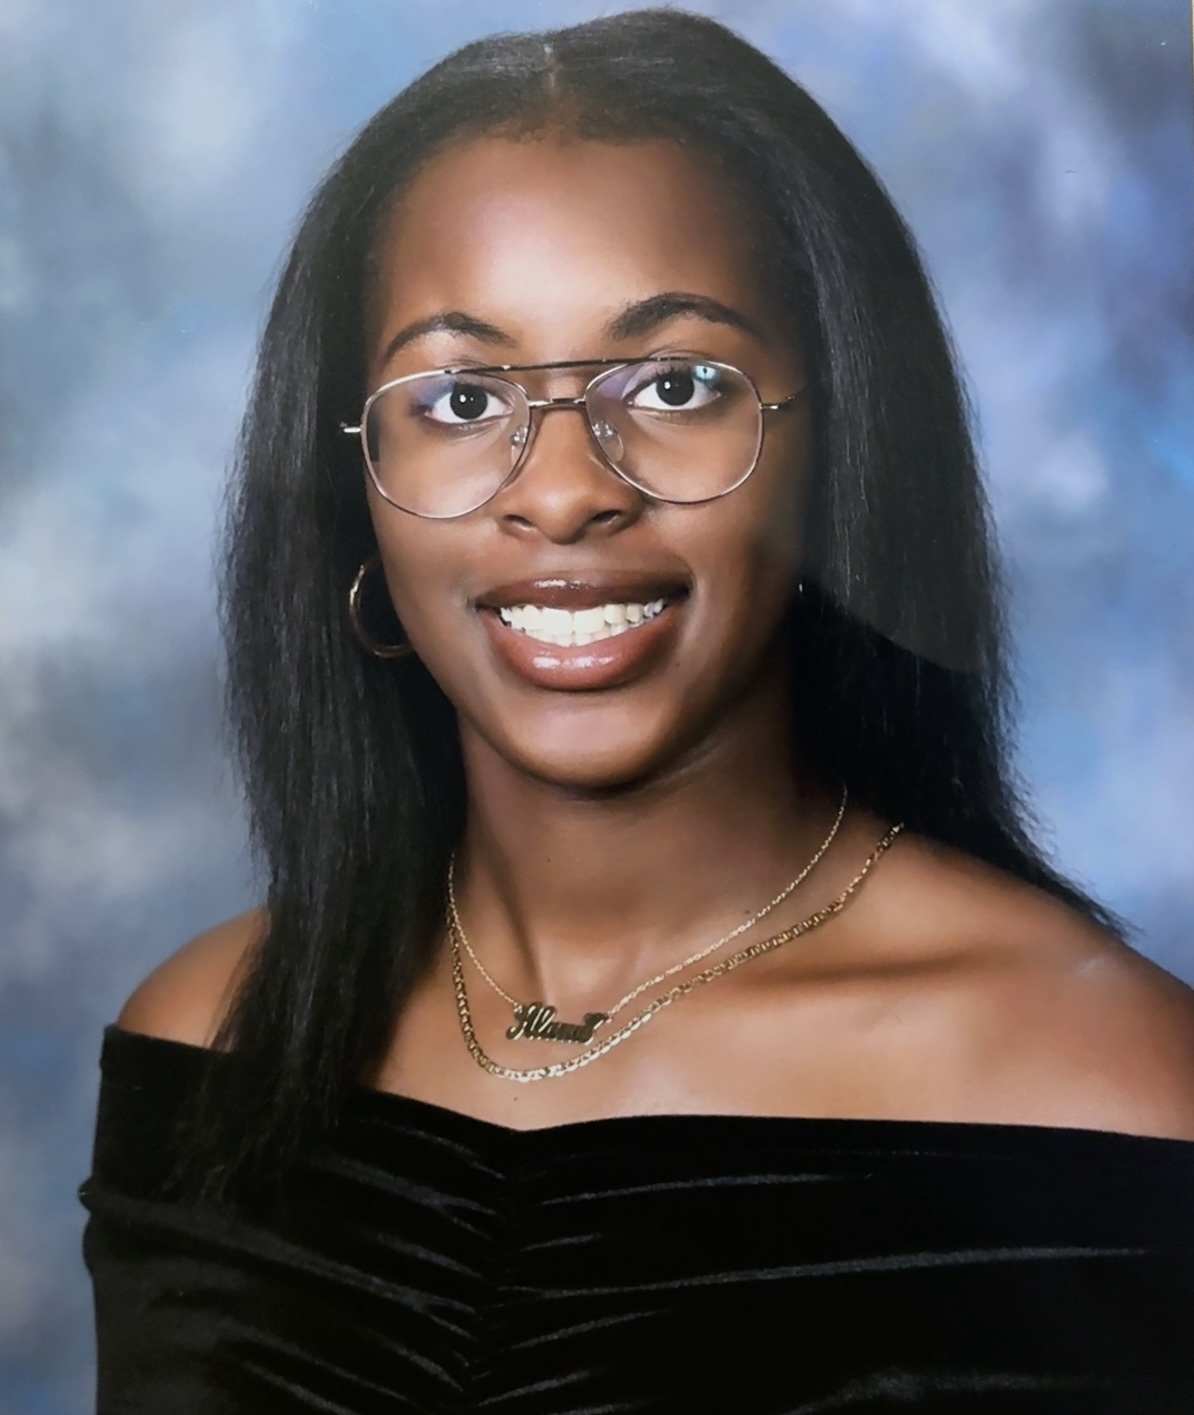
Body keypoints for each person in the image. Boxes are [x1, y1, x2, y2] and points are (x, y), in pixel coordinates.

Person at [80, 9, 1194, 1412]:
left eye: (675, 385)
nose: (562, 493)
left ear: (837, 445)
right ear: (354, 485)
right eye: (460, 398)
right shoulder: (207, 1041)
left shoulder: (1112, 1092)